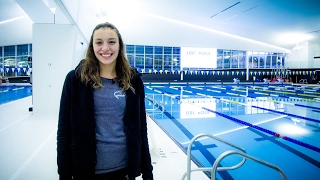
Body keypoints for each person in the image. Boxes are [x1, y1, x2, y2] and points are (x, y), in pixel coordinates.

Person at [57, 22, 154, 180]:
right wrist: (64, 175)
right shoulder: (75, 79)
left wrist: (148, 173)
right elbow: (64, 132)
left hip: (124, 171)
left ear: (119, 45)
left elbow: (141, 130)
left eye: (111, 42)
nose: (105, 48)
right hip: (86, 171)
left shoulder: (133, 80)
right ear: (92, 46)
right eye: (99, 42)